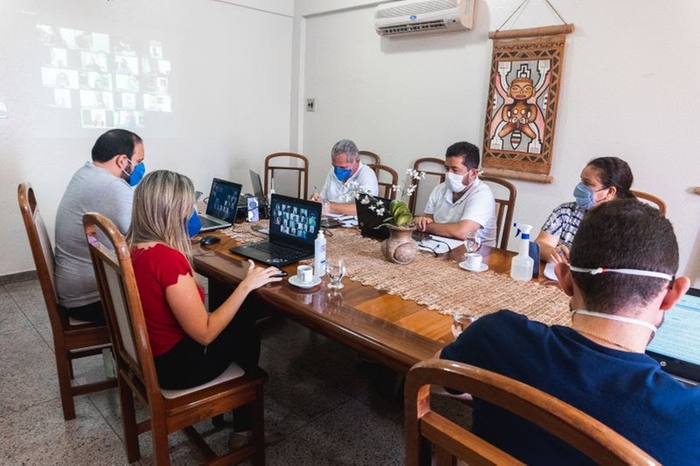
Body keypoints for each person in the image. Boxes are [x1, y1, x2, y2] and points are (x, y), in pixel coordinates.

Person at [440, 199, 699, 464]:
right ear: (674, 294)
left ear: (563, 277)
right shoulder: (691, 417)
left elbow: (442, 379)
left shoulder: (495, 334)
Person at [126, 170, 283, 431]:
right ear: (172, 213)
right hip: (174, 369)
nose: (193, 214)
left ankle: (237, 420)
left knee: (241, 313)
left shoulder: (131, 247)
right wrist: (245, 285)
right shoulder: (167, 260)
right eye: (189, 208)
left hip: (149, 357)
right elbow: (206, 333)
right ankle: (245, 429)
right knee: (247, 334)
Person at [55, 129, 145, 323]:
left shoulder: (85, 173)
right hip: (91, 298)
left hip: (76, 286)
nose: (140, 167)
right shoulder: (112, 186)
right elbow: (144, 233)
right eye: (138, 162)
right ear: (123, 161)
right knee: (164, 296)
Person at [535, 156, 634, 263]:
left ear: (610, 192)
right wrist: (551, 252)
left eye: (587, 183)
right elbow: (540, 244)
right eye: (581, 181)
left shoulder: (628, 225)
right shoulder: (566, 212)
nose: (580, 187)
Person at [413, 141, 497, 245]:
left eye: (455, 170)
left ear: (473, 173)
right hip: (439, 246)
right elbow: (426, 220)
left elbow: (462, 232)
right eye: (447, 168)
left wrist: (426, 227)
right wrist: (422, 221)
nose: (449, 174)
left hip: (475, 253)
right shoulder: (440, 189)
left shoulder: (482, 194)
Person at [310, 139, 378, 216]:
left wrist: (329, 206)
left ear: (357, 161)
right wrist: (316, 200)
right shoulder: (332, 171)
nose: (337, 170)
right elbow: (323, 198)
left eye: (342, 167)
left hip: (352, 225)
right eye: (335, 166)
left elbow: (363, 207)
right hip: (328, 221)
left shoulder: (367, 175)